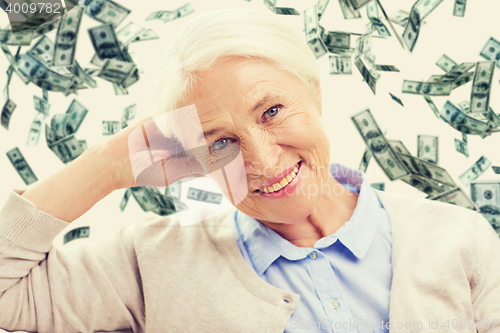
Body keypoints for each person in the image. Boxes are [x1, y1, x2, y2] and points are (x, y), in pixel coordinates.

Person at [0, 8, 499, 333]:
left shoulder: (459, 239)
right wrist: (109, 164)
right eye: (220, 142)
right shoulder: (151, 263)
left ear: (315, 93)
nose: (262, 160)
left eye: (272, 111)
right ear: (189, 157)